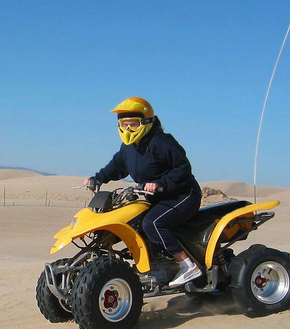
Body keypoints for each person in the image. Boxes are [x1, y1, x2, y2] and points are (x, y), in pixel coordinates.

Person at [84, 97, 203, 288]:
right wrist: (97, 178)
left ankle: (187, 265)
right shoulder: (128, 148)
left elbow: (182, 168)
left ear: (147, 122)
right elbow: (116, 167)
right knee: (134, 222)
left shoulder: (162, 142)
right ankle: (157, 264)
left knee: (153, 223)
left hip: (183, 195)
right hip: (158, 200)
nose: (129, 129)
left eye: (134, 124)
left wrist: (159, 183)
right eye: (124, 124)